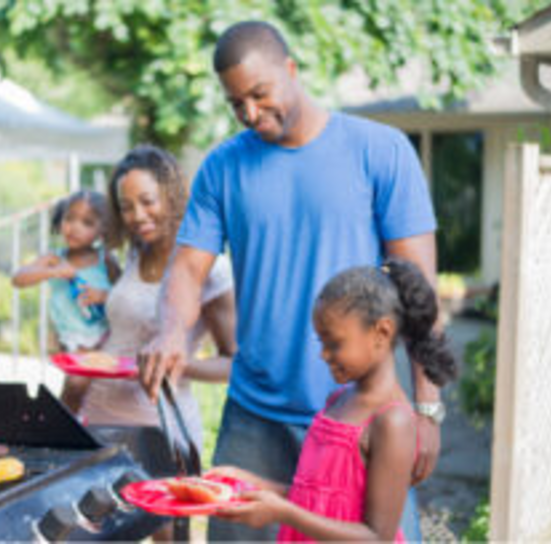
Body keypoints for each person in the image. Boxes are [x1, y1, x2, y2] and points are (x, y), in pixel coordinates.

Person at [139, 21, 443, 541]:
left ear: (291, 69)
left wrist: (428, 408)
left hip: (365, 418)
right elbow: (187, 269)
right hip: (255, 418)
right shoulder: (222, 168)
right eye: (237, 103)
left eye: (260, 94)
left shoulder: (381, 151)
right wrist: (170, 332)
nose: (250, 112)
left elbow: (420, 291)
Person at [210, 259, 457, 541]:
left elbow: (377, 537)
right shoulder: (337, 400)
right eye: (321, 343)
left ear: (382, 332)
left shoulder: (393, 421)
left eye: (334, 343)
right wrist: (250, 484)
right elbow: (314, 498)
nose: (324, 355)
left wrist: (284, 514)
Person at [78, 145, 237, 453]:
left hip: (158, 426)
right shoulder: (136, 254)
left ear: (172, 197)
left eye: (148, 201)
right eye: (126, 207)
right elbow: (125, 332)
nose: (137, 216)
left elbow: (234, 365)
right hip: (97, 415)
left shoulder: (212, 268)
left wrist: (172, 363)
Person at [12, 190, 120, 413]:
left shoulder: (106, 260)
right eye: (69, 218)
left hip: (103, 337)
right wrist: (53, 272)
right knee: (75, 386)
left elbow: (123, 295)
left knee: (78, 386)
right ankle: (66, 422)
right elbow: (18, 278)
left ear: (102, 230)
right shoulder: (54, 258)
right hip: (69, 340)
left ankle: (64, 422)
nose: (74, 227)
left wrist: (102, 295)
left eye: (87, 222)